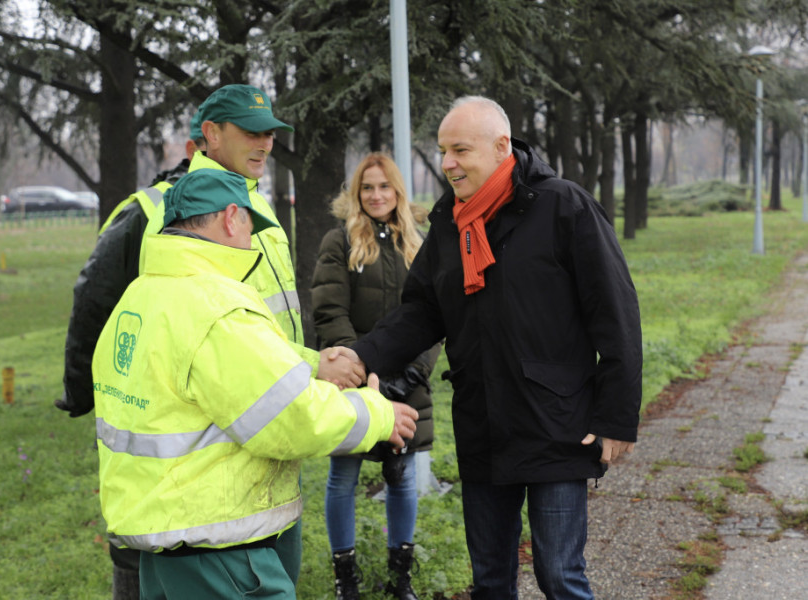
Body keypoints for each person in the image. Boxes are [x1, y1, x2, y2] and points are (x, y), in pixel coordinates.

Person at [59, 84, 361, 596]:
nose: (264, 143)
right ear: (210, 135)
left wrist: (309, 366)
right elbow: (98, 306)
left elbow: (260, 331)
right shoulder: (155, 211)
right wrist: (82, 393)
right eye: (250, 131)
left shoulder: (255, 207)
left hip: (261, 453)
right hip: (191, 480)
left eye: (269, 133)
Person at [350, 96, 643, 600]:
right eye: (443, 151)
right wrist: (361, 357)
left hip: (557, 425)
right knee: (489, 581)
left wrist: (617, 415)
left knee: (560, 576)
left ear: (501, 146)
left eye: (460, 150)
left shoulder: (563, 206)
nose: (447, 164)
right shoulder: (449, 223)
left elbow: (615, 312)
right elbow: (422, 311)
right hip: (482, 425)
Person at [92, 168, 419, 600]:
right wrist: (378, 413)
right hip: (221, 553)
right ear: (232, 217)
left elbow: (225, 369)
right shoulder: (215, 307)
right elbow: (291, 416)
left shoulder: (141, 296)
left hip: (167, 545)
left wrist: (313, 363)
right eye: (251, 225)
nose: (252, 240)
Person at [310, 153, 440, 600]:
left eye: (385, 186)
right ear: (356, 193)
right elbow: (329, 311)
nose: (376, 195)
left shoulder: (419, 244)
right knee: (342, 477)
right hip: (352, 380)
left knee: (401, 476)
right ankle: (346, 579)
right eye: (367, 187)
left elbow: (435, 318)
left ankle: (399, 577)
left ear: (398, 191)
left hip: (406, 383)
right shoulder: (339, 241)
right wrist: (358, 371)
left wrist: (406, 377)